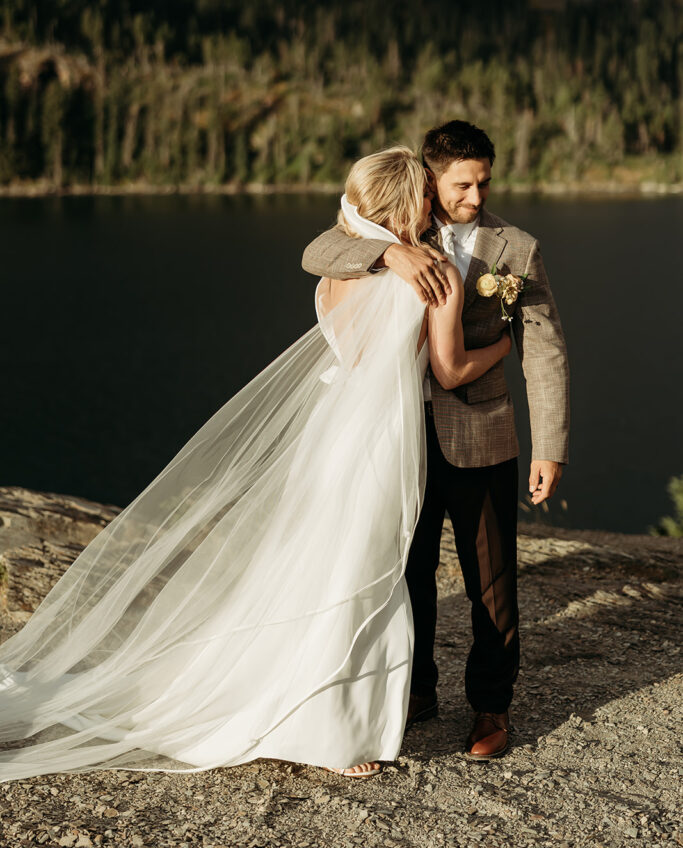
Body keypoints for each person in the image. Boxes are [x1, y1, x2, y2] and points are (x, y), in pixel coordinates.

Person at [0, 146, 511, 782]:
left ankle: (306, 706)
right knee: (365, 572)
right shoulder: (433, 273)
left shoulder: (336, 275)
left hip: (330, 439)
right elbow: (449, 369)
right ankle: (335, 729)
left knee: (317, 563)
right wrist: (503, 347)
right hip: (383, 440)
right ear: (410, 204)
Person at [302, 120, 570, 760]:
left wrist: (549, 445)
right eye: (461, 184)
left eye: (483, 183)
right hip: (398, 437)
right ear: (431, 179)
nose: (474, 197)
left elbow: (546, 350)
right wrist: (389, 252)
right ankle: (417, 690)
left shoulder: (516, 249)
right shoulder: (401, 227)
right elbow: (318, 251)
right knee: (408, 571)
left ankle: (491, 708)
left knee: (491, 580)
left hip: (481, 434)